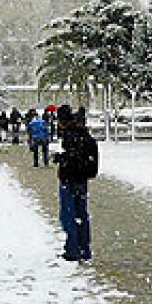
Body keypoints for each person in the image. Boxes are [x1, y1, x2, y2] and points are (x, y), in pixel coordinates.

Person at [52, 105, 98, 261]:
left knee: (68, 215)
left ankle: (73, 249)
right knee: (81, 214)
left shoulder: (70, 135)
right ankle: (84, 247)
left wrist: (61, 158)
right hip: (82, 180)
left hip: (69, 179)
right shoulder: (85, 136)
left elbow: (72, 157)